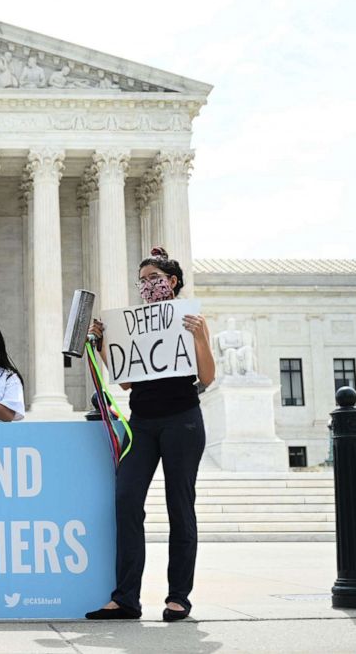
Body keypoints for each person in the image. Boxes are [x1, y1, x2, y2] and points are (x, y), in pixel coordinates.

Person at [85, 247, 215, 622]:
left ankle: (178, 598)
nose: (146, 285)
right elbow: (126, 381)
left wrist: (200, 338)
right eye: (141, 281)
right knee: (126, 502)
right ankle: (126, 598)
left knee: (180, 507)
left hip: (183, 421)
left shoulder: (192, 319)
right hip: (141, 422)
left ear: (171, 281)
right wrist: (105, 343)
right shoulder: (134, 322)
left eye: (152, 278)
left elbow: (207, 378)